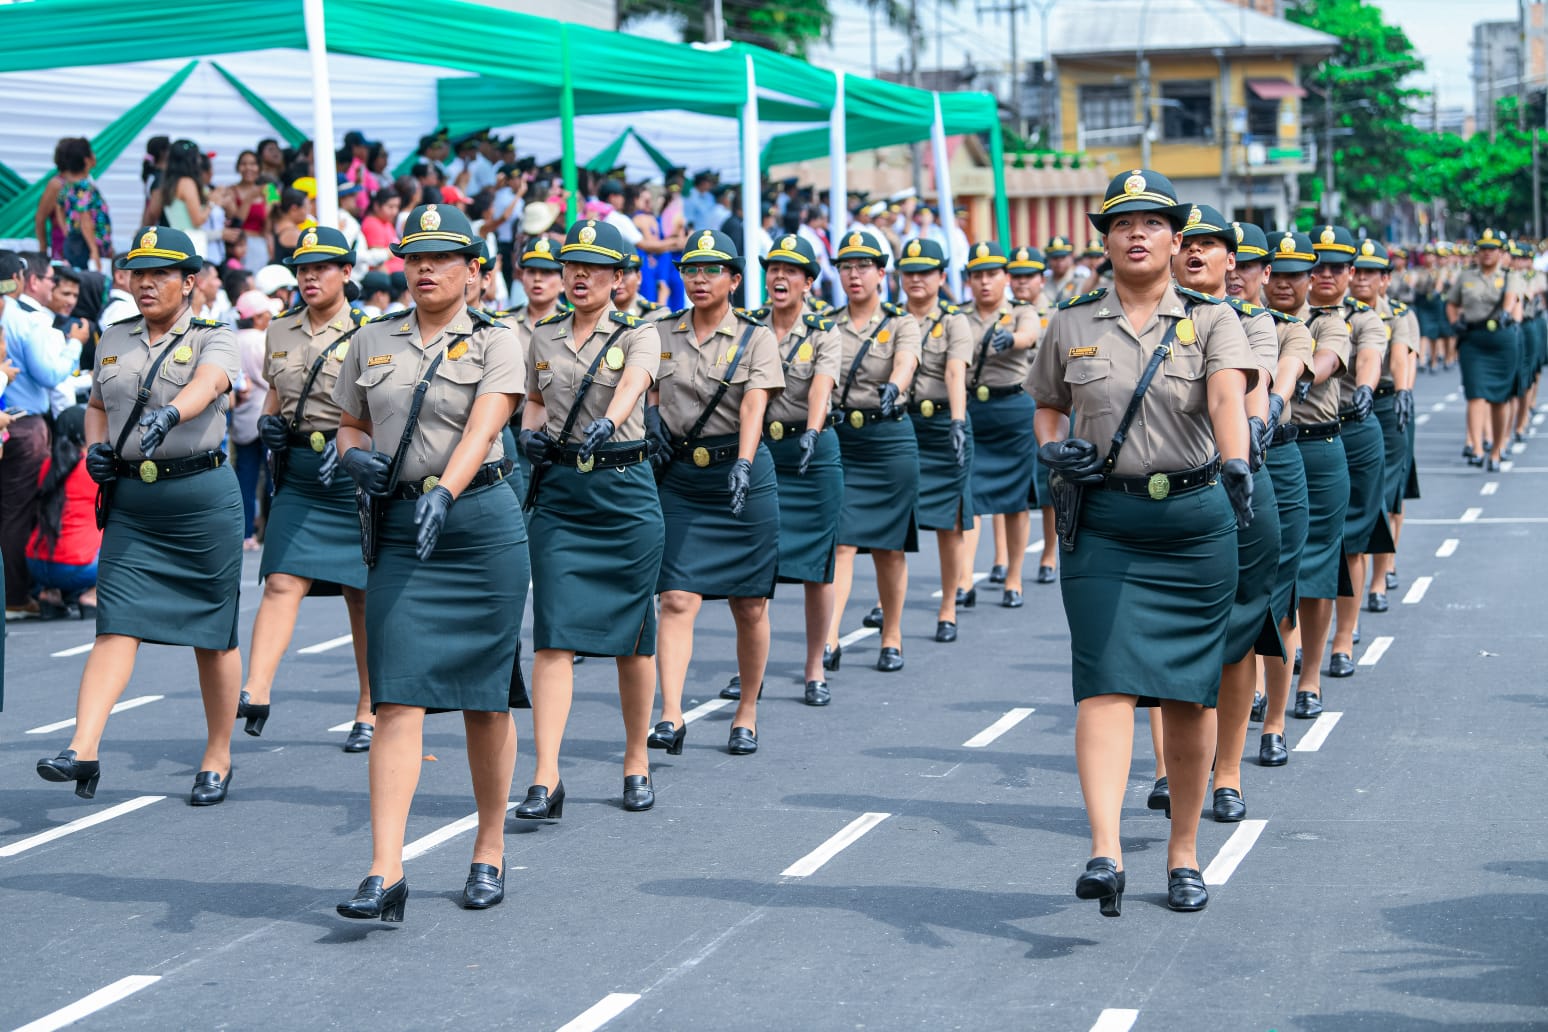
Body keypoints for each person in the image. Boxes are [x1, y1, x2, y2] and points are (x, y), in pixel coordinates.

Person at [1030, 169, 1257, 916]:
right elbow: (1048, 409)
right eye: (1122, 223)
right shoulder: (1070, 323)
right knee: (1103, 682)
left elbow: (1226, 396)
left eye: (1152, 223)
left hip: (1194, 526)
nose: (1137, 234)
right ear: (1105, 238)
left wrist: (1235, 459)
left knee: (1189, 697)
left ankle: (1184, 853)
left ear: (1175, 240)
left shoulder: (1211, 319)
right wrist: (1053, 451)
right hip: (1104, 523)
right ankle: (1105, 849)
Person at [332, 203, 529, 919]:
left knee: (484, 697)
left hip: (478, 526)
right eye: (414, 256)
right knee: (396, 697)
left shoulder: (498, 339)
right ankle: (386, 872)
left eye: (442, 258)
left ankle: (489, 845)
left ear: (473, 271)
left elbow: (487, 424)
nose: (424, 269)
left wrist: (445, 491)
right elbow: (347, 422)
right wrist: (355, 460)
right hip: (400, 527)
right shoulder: (371, 337)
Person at [36, 226, 244, 805]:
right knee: (115, 622)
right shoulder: (114, 337)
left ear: (189, 281)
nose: (145, 283)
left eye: (160, 273)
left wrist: (171, 413)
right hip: (134, 505)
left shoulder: (213, 335)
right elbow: (98, 406)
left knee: (214, 635)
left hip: (201, 499)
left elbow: (212, 381)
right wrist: (96, 450)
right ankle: (82, 748)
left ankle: (219, 754)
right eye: (137, 272)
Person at [516, 219, 664, 813]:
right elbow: (532, 399)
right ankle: (546, 776)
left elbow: (634, 383)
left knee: (633, 640)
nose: (579, 276)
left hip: (624, 493)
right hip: (560, 498)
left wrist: (611, 420)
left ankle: (636, 759)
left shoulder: (640, 333)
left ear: (619, 277)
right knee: (553, 634)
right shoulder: (543, 337)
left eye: (595, 267)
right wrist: (526, 434)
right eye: (572, 265)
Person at [645, 229, 783, 755]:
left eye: (711, 270)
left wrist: (745, 463)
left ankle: (746, 708)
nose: (699, 279)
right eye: (690, 270)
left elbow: (754, 405)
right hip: (682, 476)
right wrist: (653, 417)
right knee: (677, 596)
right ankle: (671, 713)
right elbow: (647, 383)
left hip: (741, 474)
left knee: (749, 605)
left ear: (734, 280)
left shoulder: (756, 337)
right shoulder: (660, 332)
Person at [239, 226, 375, 751]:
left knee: (360, 596)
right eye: (302, 268)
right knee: (280, 580)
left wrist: (351, 446)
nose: (310, 277)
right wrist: (270, 426)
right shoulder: (281, 329)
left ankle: (368, 706)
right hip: (298, 472)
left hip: (352, 474)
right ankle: (256, 689)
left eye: (321, 267)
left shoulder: (371, 330)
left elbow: (387, 409)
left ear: (346, 272)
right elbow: (276, 396)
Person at [1172, 206, 1282, 825]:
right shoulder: (1147, 322)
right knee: (1174, 632)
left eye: (1211, 244)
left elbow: (1255, 382)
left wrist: (1255, 426)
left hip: (1237, 482)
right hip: (1171, 491)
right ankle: (1170, 766)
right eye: (1187, 242)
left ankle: (1229, 770)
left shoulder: (1253, 322)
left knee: (1238, 636)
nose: (1196, 253)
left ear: (1230, 260)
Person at [1228, 225, 1314, 765]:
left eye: (1250, 264)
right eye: (1230, 261)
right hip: (1210, 463)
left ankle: (1275, 722)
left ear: (1266, 273)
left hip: (1273, 458)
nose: (1237, 273)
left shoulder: (1284, 329)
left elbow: (1283, 373)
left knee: (1279, 602)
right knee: (1222, 600)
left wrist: (1271, 409)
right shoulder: (1185, 322)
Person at [746, 233, 843, 705]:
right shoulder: (749, 329)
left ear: (808, 282)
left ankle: (813, 667)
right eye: (773, 268)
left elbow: (821, 384)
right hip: (763, 452)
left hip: (813, 453)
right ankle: (753, 670)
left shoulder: (824, 330)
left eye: (790, 270)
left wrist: (813, 428)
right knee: (756, 561)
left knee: (816, 567)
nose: (779, 276)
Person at [822, 229, 921, 673]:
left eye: (863, 266)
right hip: (844, 440)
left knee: (889, 547)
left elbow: (907, 360)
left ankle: (893, 634)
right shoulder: (827, 324)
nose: (854, 275)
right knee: (840, 542)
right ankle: (828, 636)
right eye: (846, 267)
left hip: (889, 441)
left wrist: (895, 386)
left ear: (882, 273)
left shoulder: (901, 322)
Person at [1265, 229, 1351, 731]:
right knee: (1268, 575)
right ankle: (1257, 681)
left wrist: (1291, 376)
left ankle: (1310, 675)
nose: (1292, 282)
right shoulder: (1252, 322)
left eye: (1302, 273)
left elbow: (1325, 363)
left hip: (1318, 448)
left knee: (1315, 576)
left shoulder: (1327, 323)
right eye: (1283, 272)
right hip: (1269, 452)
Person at [1314, 225, 1391, 684]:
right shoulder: (1289, 317)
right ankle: (1301, 640)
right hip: (1305, 437)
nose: (1326, 274)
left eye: (1337, 267)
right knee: (1305, 546)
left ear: (1350, 273)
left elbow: (1370, 357)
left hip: (1353, 430)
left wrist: (1365, 388)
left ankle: (1343, 637)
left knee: (1352, 541)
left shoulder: (1362, 318)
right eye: (1318, 265)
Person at [897, 239, 974, 642]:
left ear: (942, 277)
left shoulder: (955, 320)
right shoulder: (890, 320)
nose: (916, 279)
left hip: (945, 423)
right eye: (909, 271)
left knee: (949, 523)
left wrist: (959, 422)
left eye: (925, 271)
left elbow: (954, 373)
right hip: (902, 427)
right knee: (892, 521)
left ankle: (948, 605)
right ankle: (887, 602)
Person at [2, 251, 87, 619]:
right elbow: (50, 374)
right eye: (51, 281)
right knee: (19, 511)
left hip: (14, 422)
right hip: (25, 425)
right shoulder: (28, 321)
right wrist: (76, 343)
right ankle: (17, 595)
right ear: (25, 280)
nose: (55, 288)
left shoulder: (12, 316)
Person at [957, 242, 1040, 607]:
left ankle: (1014, 577)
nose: (985, 282)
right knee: (968, 496)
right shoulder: (958, 316)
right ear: (969, 281)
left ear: (1005, 278)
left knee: (1015, 500)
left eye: (992, 274)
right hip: (974, 408)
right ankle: (963, 579)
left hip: (1013, 412)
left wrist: (1012, 340)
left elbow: (1030, 335)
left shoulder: (1021, 312)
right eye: (977, 276)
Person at [1350, 241, 1417, 614]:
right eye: (1356, 271)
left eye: (1370, 273)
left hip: (1390, 404)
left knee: (1388, 494)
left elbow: (1401, 356)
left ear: (1385, 280)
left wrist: (1405, 393)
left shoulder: (1399, 315)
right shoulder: (1341, 315)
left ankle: (1378, 579)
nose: (1361, 279)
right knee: (1361, 498)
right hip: (1351, 408)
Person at [1448, 229, 1521, 473]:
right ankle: (1478, 448)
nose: (1487, 253)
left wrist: (1507, 313)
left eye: (1492, 249)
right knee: (1475, 393)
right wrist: (1454, 322)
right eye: (1483, 249)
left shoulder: (1511, 276)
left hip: (1502, 340)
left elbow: (1511, 299)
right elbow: (1452, 302)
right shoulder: (1466, 276)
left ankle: (1498, 448)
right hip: (1473, 339)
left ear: (1500, 253)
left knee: (1500, 398)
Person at [25, 405, 101, 619]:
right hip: (77, 567)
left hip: (36, 563)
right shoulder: (92, 469)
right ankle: (92, 596)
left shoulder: (48, 466)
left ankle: (50, 595)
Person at [229, 290, 277, 549]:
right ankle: (270, 532)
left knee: (245, 478)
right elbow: (270, 378)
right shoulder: (262, 340)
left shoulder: (233, 340)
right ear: (257, 317)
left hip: (242, 419)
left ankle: (246, 533)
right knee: (272, 477)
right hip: (264, 413)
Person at [1045, 236, 1081, 304]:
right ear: (1049, 259)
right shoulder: (1044, 281)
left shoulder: (1079, 280)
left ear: (1071, 257)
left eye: (1063, 257)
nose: (1059, 262)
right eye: (1055, 258)